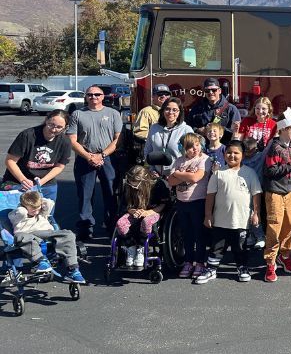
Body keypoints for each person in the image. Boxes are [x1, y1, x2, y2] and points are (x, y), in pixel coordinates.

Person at [198, 140, 262, 284]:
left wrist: (256, 213)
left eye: (236, 153)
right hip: (220, 220)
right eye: (229, 152)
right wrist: (208, 215)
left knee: (241, 247)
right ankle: (211, 269)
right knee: (216, 247)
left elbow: (256, 194)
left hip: (241, 221)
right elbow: (210, 195)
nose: (232, 155)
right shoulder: (218, 173)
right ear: (224, 154)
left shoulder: (249, 173)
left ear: (243, 155)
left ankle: (242, 268)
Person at [67, 85, 122, 246]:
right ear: (86, 97)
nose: (93, 97)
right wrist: (89, 156)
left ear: (103, 96)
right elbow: (72, 140)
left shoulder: (113, 113)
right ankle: (85, 228)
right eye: (90, 95)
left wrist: (102, 155)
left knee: (111, 193)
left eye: (97, 94)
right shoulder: (77, 114)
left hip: (108, 159)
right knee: (85, 195)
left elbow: (118, 139)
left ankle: (112, 225)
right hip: (85, 159)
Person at [8, 190, 84, 284]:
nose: (36, 211)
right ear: (23, 207)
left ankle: (73, 269)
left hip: (46, 232)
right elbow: (19, 213)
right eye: (33, 210)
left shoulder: (41, 211)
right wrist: (23, 208)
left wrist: (39, 202)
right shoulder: (18, 214)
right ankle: (40, 262)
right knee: (21, 237)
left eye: (38, 208)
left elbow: (49, 203)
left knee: (68, 234)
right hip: (28, 233)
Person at [262, 108, 291, 282]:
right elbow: (270, 171)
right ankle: (270, 262)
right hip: (275, 192)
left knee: (289, 225)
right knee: (274, 226)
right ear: (283, 129)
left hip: (288, 190)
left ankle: (285, 255)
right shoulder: (275, 147)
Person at [167, 132, 211, 280]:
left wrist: (179, 174)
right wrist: (181, 174)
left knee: (199, 234)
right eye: (190, 147)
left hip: (198, 201)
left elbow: (196, 177)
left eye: (197, 145)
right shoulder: (179, 160)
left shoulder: (204, 160)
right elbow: (171, 181)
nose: (194, 149)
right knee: (187, 233)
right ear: (184, 149)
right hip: (182, 202)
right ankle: (188, 261)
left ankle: (199, 262)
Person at [4, 109, 71, 205]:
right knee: (16, 214)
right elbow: (10, 161)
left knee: (45, 214)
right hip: (17, 180)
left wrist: (42, 182)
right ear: (46, 120)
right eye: (51, 124)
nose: (53, 129)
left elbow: (60, 166)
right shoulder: (27, 135)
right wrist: (23, 180)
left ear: (65, 128)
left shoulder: (65, 142)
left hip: (45, 182)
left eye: (59, 127)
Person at [115, 165, 170, 270]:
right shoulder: (128, 186)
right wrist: (132, 210)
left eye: (135, 183)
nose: (132, 186)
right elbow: (125, 205)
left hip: (153, 211)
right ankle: (131, 247)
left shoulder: (157, 185)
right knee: (120, 223)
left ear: (144, 180)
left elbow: (163, 205)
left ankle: (141, 247)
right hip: (135, 211)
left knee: (146, 222)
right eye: (131, 183)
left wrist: (148, 212)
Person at [143, 97, 193, 175]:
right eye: (167, 109)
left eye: (175, 110)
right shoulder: (154, 128)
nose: (170, 112)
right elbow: (147, 151)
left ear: (180, 112)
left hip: (178, 176)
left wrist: (179, 173)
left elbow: (193, 154)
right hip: (156, 175)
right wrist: (151, 169)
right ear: (163, 110)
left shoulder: (186, 130)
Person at [186, 77, 241, 141]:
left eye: (214, 90)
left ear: (219, 91)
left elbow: (235, 131)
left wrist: (217, 130)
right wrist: (198, 130)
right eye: (207, 90)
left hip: (223, 147)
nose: (211, 92)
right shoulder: (197, 108)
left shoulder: (231, 109)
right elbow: (188, 127)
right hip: (202, 148)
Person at [241, 138, 265, 248]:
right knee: (246, 212)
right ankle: (251, 235)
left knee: (255, 212)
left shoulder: (260, 156)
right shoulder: (242, 159)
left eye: (249, 151)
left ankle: (260, 236)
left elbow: (268, 149)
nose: (247, 153)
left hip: (257, 189)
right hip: (244, 189)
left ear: (255, 149)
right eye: (245, 151)